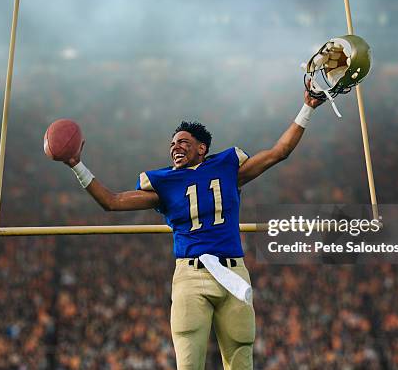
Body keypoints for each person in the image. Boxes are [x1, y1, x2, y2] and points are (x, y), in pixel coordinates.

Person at [59, 86, 324, 369]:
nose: (176, 147)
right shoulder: (164, 183)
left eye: (184, 142)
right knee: (189, 363)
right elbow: (111, 202)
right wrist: (77, 165)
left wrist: (307, 107)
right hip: (191, 275)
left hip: (233, 271)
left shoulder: (226, 167)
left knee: (241, 358)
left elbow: (278, 152)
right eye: (173, 143)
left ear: (202, 148)